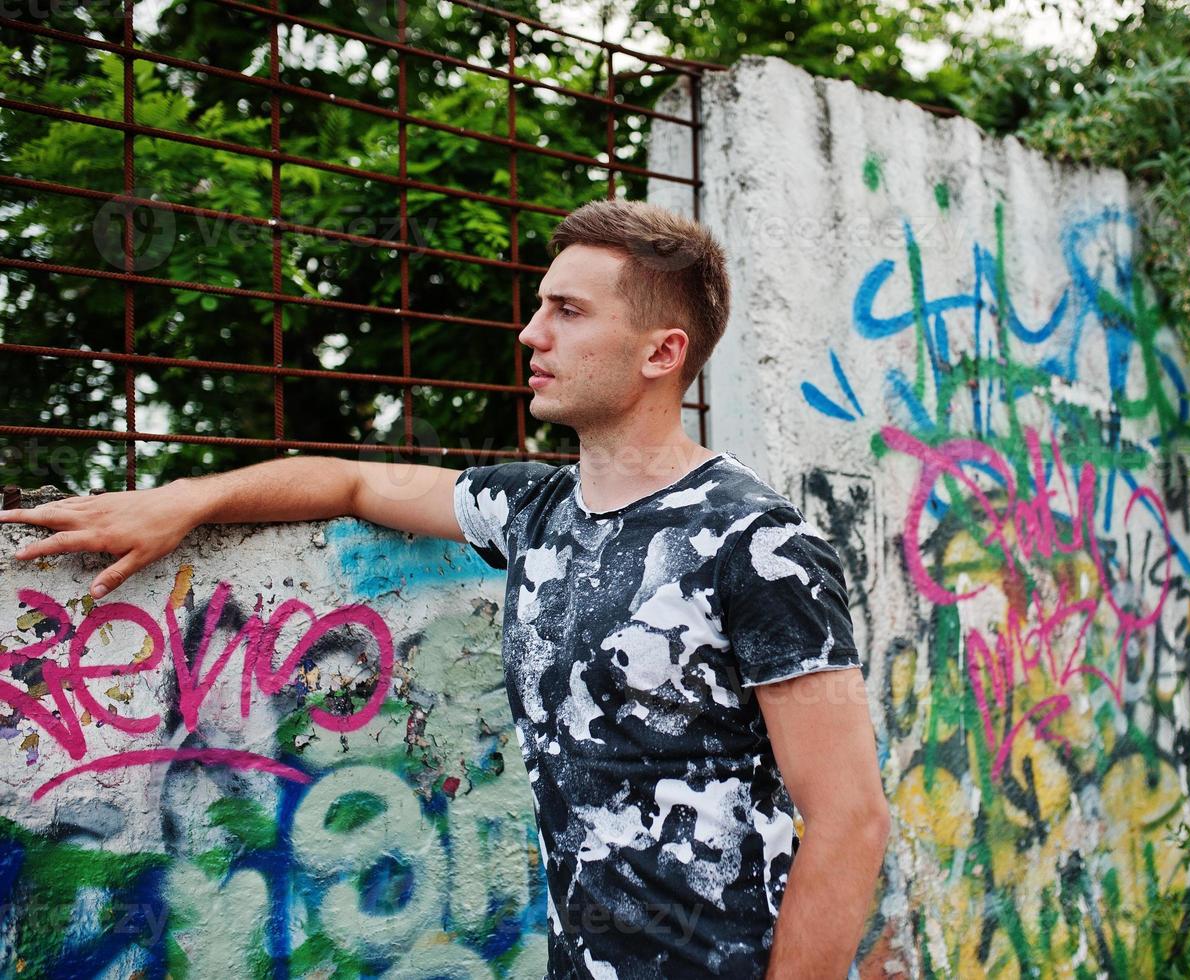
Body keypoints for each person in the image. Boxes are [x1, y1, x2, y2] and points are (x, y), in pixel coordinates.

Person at [3, 200, 890, 978]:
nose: (530, 334)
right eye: (541, 306)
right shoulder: (534, 508)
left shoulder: (754, 541)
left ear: (662, 351)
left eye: (567, 312)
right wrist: (184, 501)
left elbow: (848, 818)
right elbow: (351, 483)